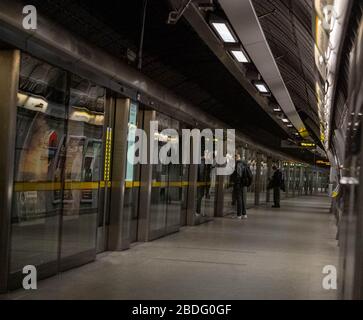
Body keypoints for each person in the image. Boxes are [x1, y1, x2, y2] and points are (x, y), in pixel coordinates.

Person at [231, 154, 253, 219]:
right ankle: (244, 214)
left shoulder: (238, 164)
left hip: (239, 184)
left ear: (236, 157)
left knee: (239, 199)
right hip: (243, 184)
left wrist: (236, 182)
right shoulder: (244, 164)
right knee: (242, 199)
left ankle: (239, 215)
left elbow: (238, 175)